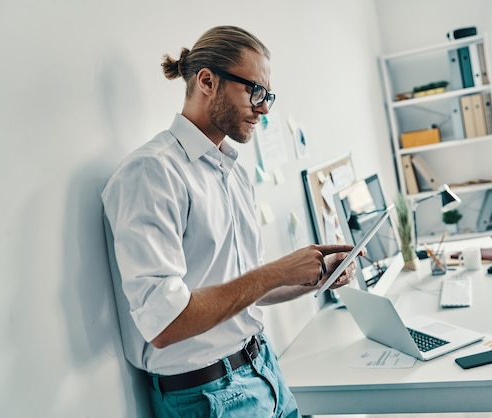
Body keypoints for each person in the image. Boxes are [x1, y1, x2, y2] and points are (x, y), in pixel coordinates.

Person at [101, 25, 359, 418]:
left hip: (264, 369)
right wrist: (276, 271)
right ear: (207, 81)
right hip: (207, 397)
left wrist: (315, 276)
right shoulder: (151, 172)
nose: (265, 108)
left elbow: (243, 291)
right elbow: (164, 323)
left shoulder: (233, 171)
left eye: (268, 95)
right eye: (255, 91)